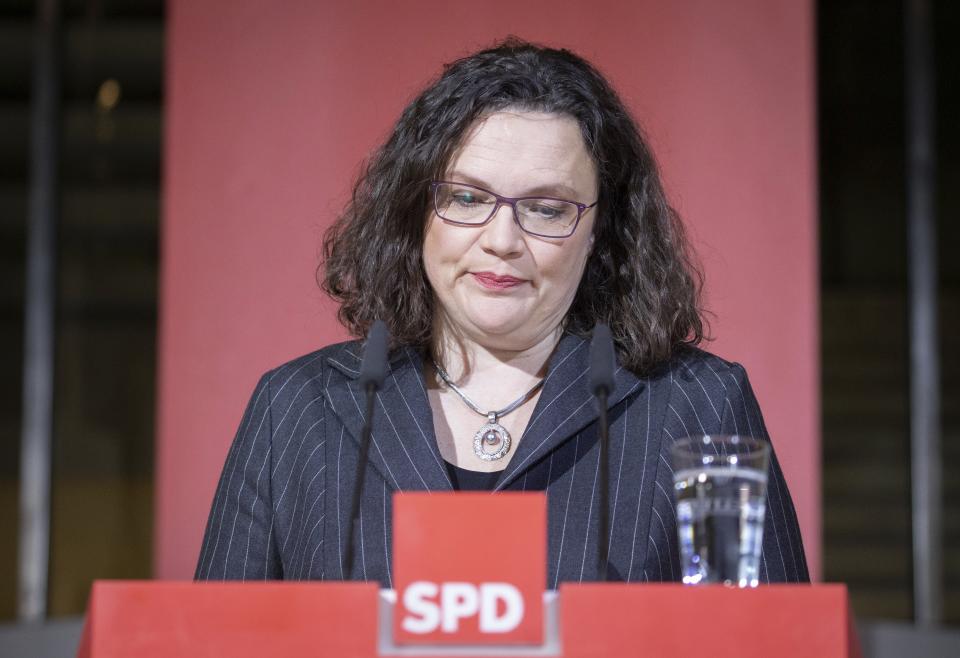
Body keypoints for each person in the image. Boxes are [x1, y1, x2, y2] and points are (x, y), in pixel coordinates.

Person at [195, 39, 809, 586]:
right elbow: (212, 643)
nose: (502, 239)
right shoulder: (294, 409)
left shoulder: (697, 405)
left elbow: (765, 638)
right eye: (468, 197)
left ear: (598, 231)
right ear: (416, 210)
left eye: (546, 208)